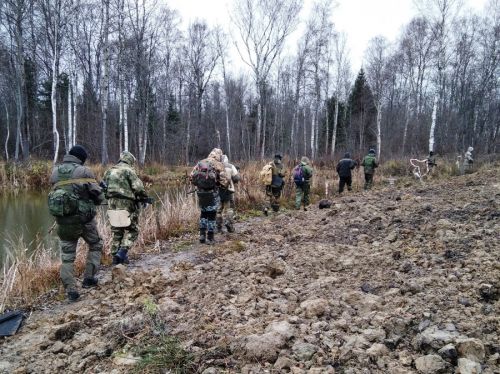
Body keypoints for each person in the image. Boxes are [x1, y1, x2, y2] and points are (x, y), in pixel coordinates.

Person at [49, 145, 104, 302]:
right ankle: (89, 279)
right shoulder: (84, 171)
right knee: (95, 244)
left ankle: (71, 290)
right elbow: (98, 197)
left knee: (67, 257)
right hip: (84, 221)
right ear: (81, 158)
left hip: (63, 221)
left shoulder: (55, 171)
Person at [103, 151, 149, 265]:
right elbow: (138, 188)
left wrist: (110, 197)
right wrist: (144, 198)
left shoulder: (109, 171)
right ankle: (122, 252)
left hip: (111, 203)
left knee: (116, 230)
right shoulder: (129, 171)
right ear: (130, 161)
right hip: (126, 203)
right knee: (133, 229)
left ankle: (115, 258)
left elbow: (103, 187)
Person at [190, 148, 228, 244]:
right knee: (212, 215)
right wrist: (219, 185)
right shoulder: (218, 164)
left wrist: (200, 185)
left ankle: (202, 235)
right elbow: (225, 181)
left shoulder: (201, 162)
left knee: (203, 213)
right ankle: (210, 237)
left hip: (201, 193)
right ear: (219, 155)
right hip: (213, 193)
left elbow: (191, 177)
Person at [216, 155, 240, 233]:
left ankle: (218, 227)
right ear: (227, 160)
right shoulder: (230, 166)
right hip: (228, 190)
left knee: (219, 209)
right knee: (229, 208)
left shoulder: (215, 167)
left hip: (218, 191)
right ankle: (228, 223)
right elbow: (236, 178)